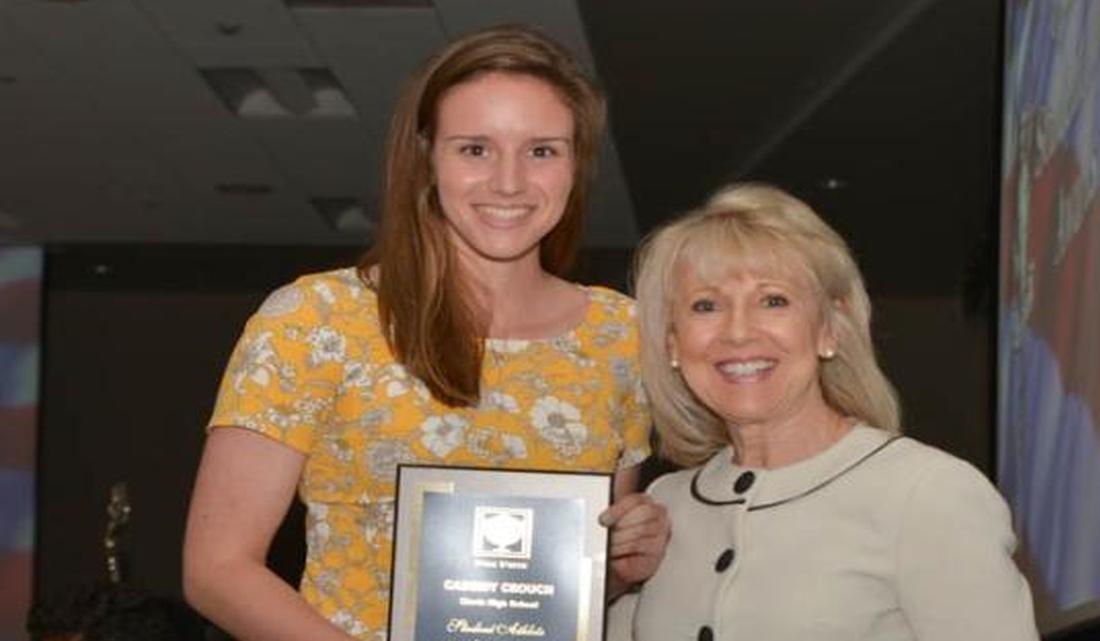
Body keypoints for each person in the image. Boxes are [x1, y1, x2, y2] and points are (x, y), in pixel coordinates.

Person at [183, 24, 667, 641]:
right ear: (425, 158)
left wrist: (623, 568)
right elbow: (217, 570)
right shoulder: (317, 318)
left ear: (577, 164)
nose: (510, 182)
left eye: (542, 150)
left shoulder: (620, 335)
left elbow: (561, 589)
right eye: (475, 149)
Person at [608, 184, 1039, 641]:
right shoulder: (664, 506)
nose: (737, 332)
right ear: (673, 343)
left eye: (773, 300)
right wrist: (612, 583)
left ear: (829, 328)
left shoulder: (927, 492)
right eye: (706, 305)